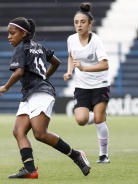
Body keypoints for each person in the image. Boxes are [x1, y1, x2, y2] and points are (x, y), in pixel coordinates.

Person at [0, 17, 91, 179]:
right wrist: (44, 77)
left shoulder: (22, 48)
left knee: (40, 133)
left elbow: (18, 72)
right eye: (8, 34)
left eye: (12, 33)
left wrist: (6, 86)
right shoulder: (39, 47)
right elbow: (56, 62)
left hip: (39, 93)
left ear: (23, 33)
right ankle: (30, 170)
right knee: (19, 131)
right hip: (31, 93)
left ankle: (76, 155)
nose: (9, 36)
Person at [63, 2, 110, 164]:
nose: (79, 25)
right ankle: (100, 116)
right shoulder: (71, 39)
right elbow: (71, 56)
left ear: (90, 24)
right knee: (81, 120)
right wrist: (69, 71)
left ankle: (103, 155)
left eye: (82, 22)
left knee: (98, 120)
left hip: (100, 84)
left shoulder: (96, 40)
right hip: (82, 87)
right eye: (76, 22)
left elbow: (105, 64)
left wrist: (84, 68)